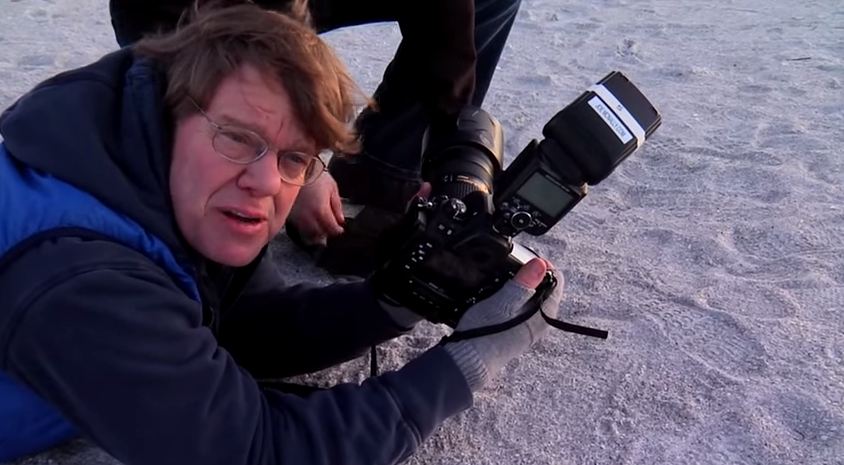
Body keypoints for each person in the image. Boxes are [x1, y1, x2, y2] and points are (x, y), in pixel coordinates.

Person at [0, 3, 564, 464]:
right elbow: (259, 451)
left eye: (296, 158)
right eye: (237, 138)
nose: (267, 181)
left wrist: (396, 298)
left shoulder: (133, 176)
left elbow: (239, 329)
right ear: (168, 116)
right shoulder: (83, 279)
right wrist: (468, 362)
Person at [108, 0, 523, 275]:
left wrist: (448, 137)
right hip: (176, 8)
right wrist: (300, 166)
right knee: (200, 98)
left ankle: (379, 174)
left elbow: (445, 18)